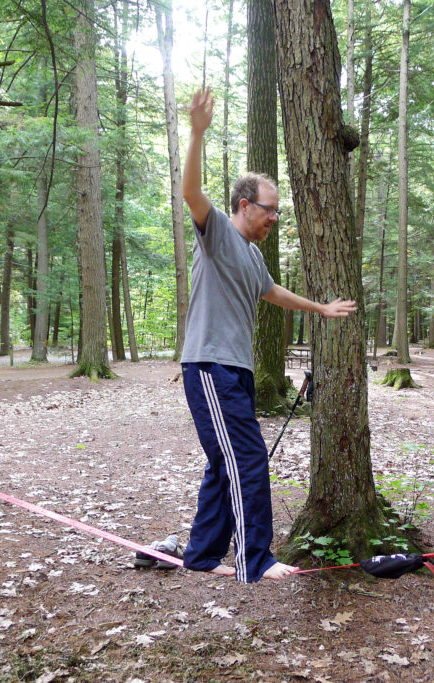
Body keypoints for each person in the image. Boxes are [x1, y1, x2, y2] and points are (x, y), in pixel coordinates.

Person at [174, 87, 356, 582]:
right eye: (269, 209)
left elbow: (271, 291)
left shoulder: (252, 255)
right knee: (248, 456)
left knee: (224, 460)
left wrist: (320, 307)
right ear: (243, 204)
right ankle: (255, 561)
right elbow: (190, 193)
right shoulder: (218, 234)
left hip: (234, 369)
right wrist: (196, 133)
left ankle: (201, 555)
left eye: (278, 211)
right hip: (210, 366)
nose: (275, 218)